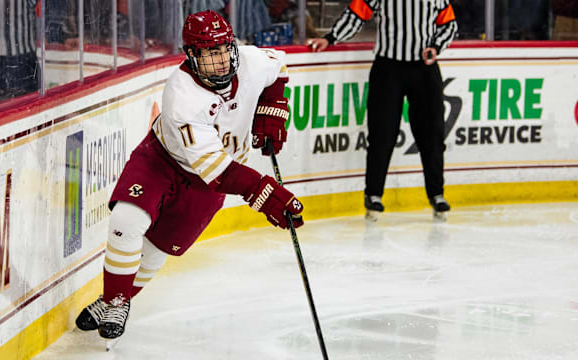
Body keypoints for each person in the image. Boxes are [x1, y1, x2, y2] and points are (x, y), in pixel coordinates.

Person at [74, 10, 304, 340]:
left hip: (206, 187)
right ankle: (116, 301)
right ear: (192, 56)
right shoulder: (182, 95)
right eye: (210, 54)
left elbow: (279, 66)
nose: (221, 61)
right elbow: (219, 172)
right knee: (127, 220)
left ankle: (109, 301)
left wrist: (272, 108)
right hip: (163, 162)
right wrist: (264, 193)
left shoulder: (251, 61)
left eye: (224, 50)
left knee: (157, 251)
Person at [306, 0, 457, 219]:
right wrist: (330, 38)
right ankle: (373, 194)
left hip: (424, 68)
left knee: (432, 134)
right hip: (388, 69)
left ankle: (436, 194)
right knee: (381, 134)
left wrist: (436, 46)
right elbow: (356, 14)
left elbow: (449, 24)